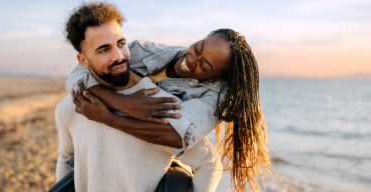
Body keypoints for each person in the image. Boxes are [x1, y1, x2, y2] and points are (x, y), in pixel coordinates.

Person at [69, 24, 271, 192]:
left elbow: (175, 137)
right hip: (124, 142)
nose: (191, 60)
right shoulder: (146, 50)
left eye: (205, 67)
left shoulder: (217, 95)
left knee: (210, 164)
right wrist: (122, 103)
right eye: (198, 48)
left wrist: (109, 118)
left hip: (166, 154)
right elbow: (84, 67)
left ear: (217, 76)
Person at [55, 2, 222, 192]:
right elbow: (66, 159)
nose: (118, 56)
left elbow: (210, 165)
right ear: (83, 60)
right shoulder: (71, 107)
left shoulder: (158, 104)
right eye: (104, 50)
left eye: (121, 44)